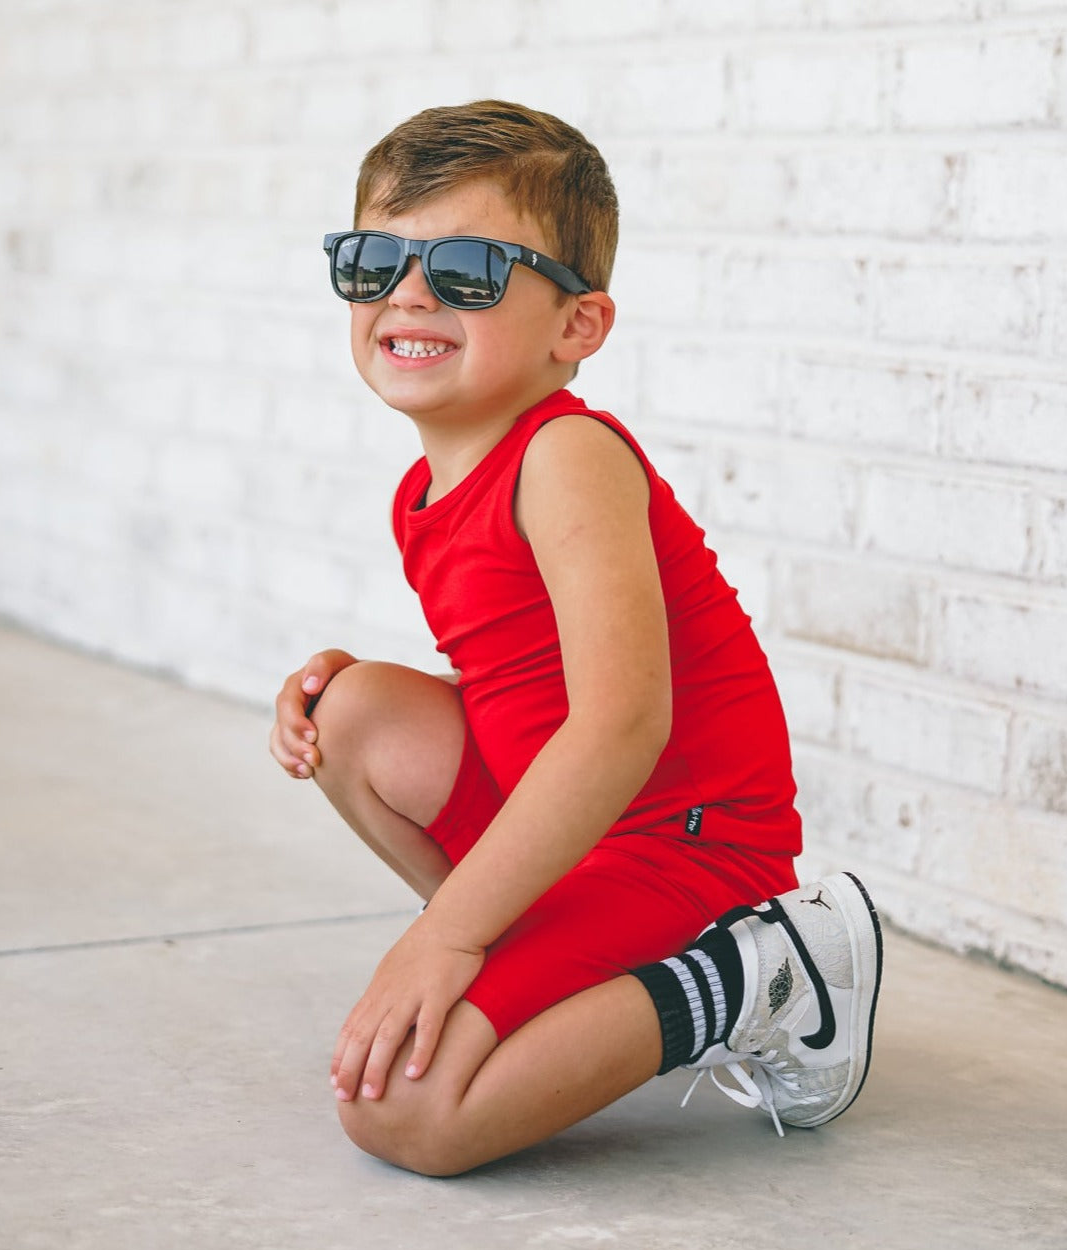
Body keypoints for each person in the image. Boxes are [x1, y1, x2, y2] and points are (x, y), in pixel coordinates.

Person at [270, 100, 882, 1176]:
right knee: (351, 710)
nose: (408, 294)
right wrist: (344, 685)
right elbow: (520, 683)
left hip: (686, 843)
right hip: (588, 827)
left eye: (467, 270)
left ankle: (767, 969)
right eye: (373, 260)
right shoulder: (422, 490)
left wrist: (445, 939)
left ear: (577, 328)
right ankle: (540, 963)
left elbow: (619, 723)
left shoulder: (568, 456)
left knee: (408, 1112)